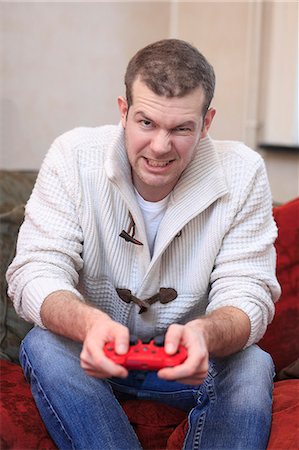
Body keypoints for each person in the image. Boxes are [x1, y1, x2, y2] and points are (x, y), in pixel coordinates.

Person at [7, 38, 281, 450]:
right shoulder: (72, 156)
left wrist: (204, 334)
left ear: (207, 123)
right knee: (43, 343)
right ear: (123, 111)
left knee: (252, 363)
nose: (159, 146)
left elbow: (249, 292)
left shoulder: (244, 172)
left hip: (188, 365)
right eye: (146, 122)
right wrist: (90, 325)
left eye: (181, 128)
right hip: (92, 359)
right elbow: (35, 270)